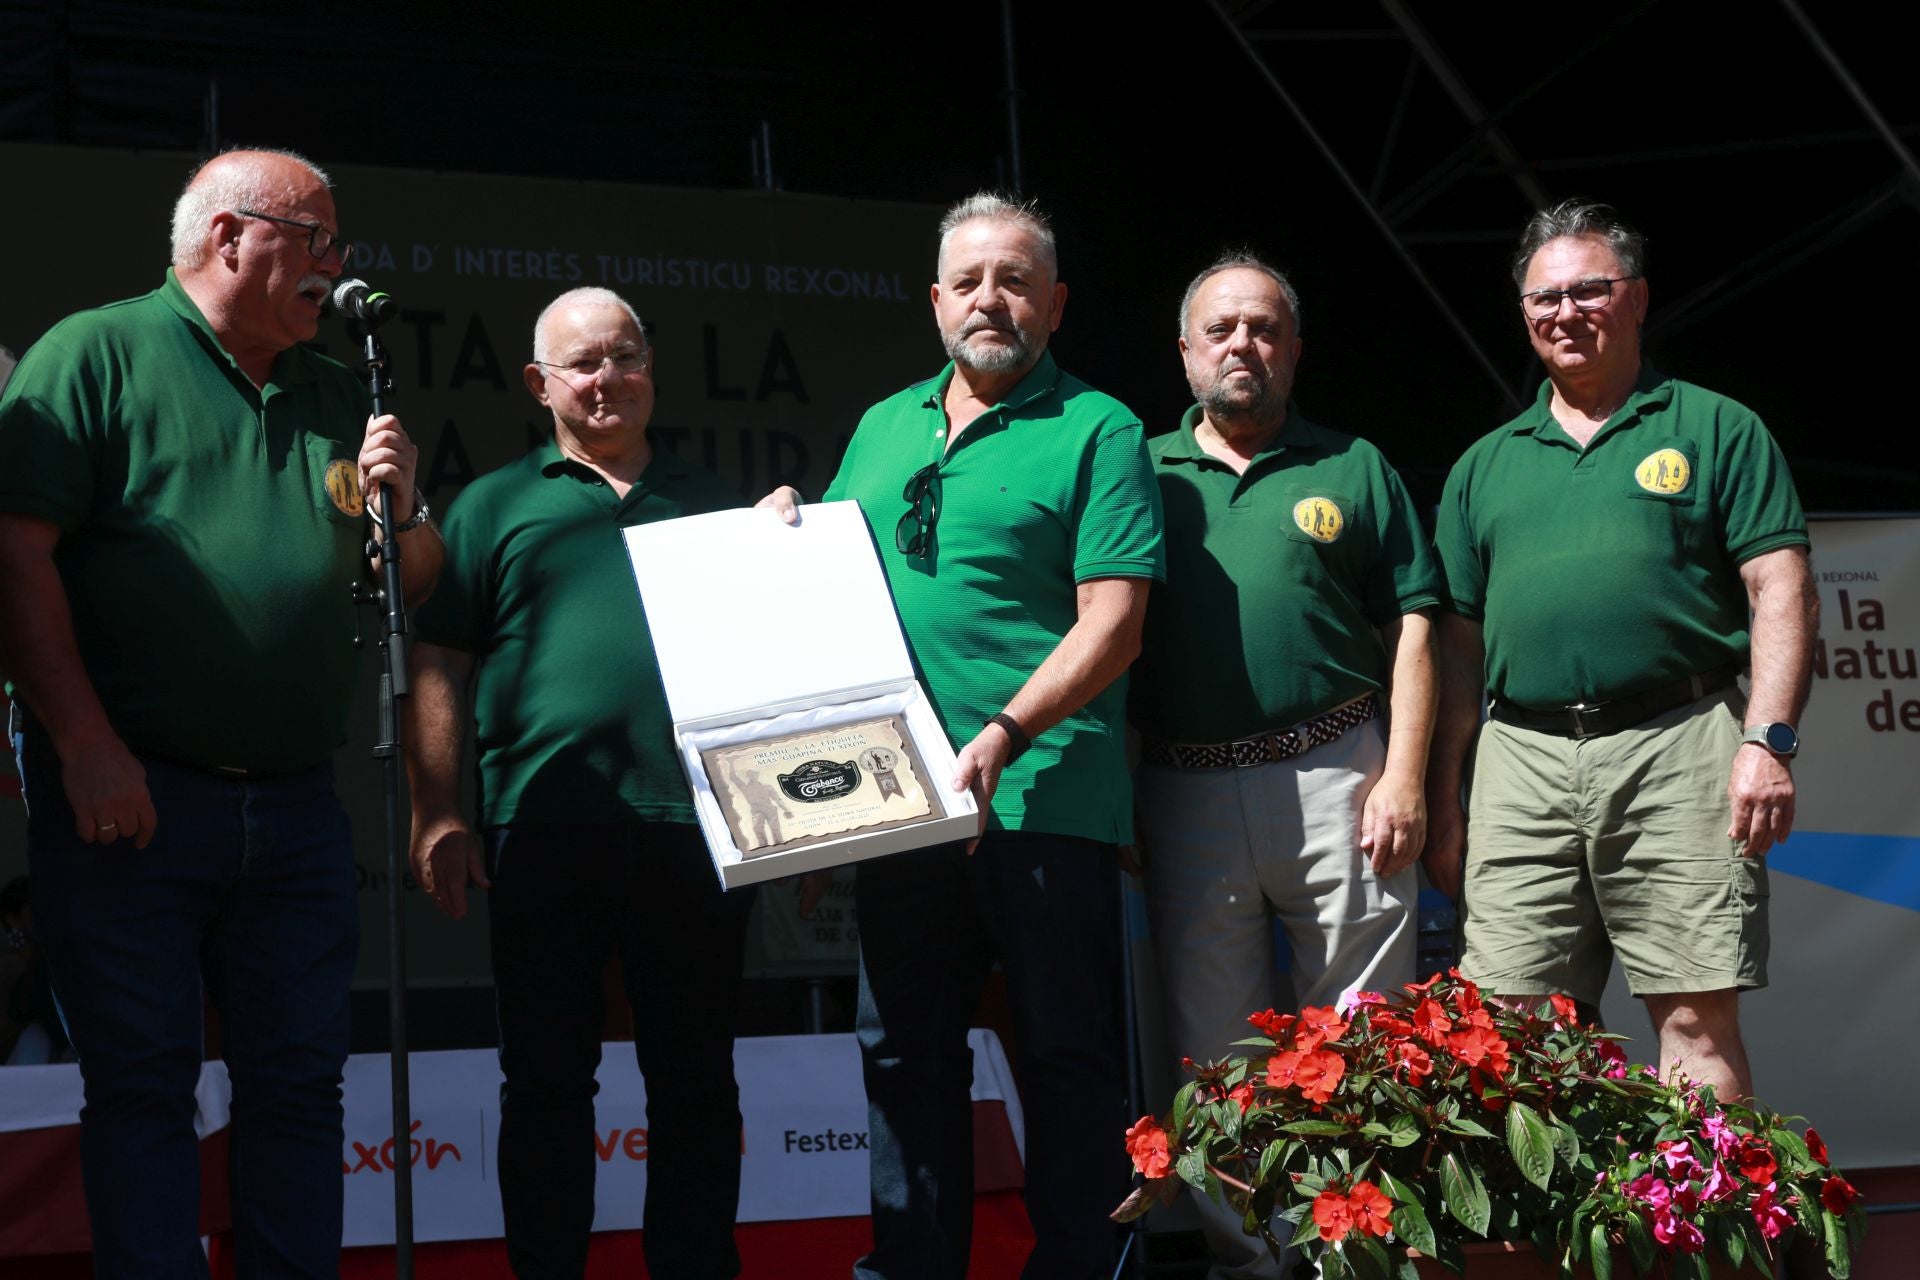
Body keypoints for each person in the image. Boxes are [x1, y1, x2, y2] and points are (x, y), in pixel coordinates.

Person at [0, 147, 441, 1276]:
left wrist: (403, 512)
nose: (337, 266)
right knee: (143, 1086)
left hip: (293, 805)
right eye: (319, 238)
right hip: (132, 795)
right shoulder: (94, 353)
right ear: (232, 236)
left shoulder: (344, 391)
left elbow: (417, 577)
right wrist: (85, 744)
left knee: (298, 1087)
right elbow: (16, 554)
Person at [761, 192, 1165, 1280]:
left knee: (1067, 1060)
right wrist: (785, 530)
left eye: (1017, 278)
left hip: (1045, 795)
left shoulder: (1101, 426)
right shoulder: (884, 425)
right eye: (971, 279)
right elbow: (833, 602)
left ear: (1058, 302)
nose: (992, 297)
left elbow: (1116, 623)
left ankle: (1081, 1267)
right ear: (936, 299)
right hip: (898, 806)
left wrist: (1003, 730)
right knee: (901, 1058)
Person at [1427, 200, 1817, 1100]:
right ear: (1525, 317)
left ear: (1637, 298)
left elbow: (1780, 588)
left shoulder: (1717, 427)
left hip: (1677, 737)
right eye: (1543, 300)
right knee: (1516, 1030)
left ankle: (1704, 1236)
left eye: (1589, 291)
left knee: (1692, 1019)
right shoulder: (1483, 464)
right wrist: (1449, 791)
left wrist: (1768, 740)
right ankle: (1545, 1243)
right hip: (1518, 755)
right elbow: (1457, 647)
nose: (1566, 313)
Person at [404, 286, 754, 1279]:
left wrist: (795, 828)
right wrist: (438, 809)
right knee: (548, 1081)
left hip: (699, 828)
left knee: (697, 1081)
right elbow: (437, 661)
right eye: (584, 363)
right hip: (541, 828)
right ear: (539, 383)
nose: (607, 379)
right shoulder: (493, 504)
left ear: (652, 366)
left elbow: (773, 670)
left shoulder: (716, 504)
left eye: (625, 356)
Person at [1128, 254, 1439, 1279]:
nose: (1241, 346)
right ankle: (1250, 1260)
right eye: (1219, 329)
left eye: (1264, 328)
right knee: (1214, 1053)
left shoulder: (1354, 462)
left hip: (1337, 770)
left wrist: (1402, 773)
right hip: (1184, 784)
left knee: (1360, 1030)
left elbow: (1417, 623)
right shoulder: (1137, 469)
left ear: (1295, 347)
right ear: (1184, 351)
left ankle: (1353, 1252)